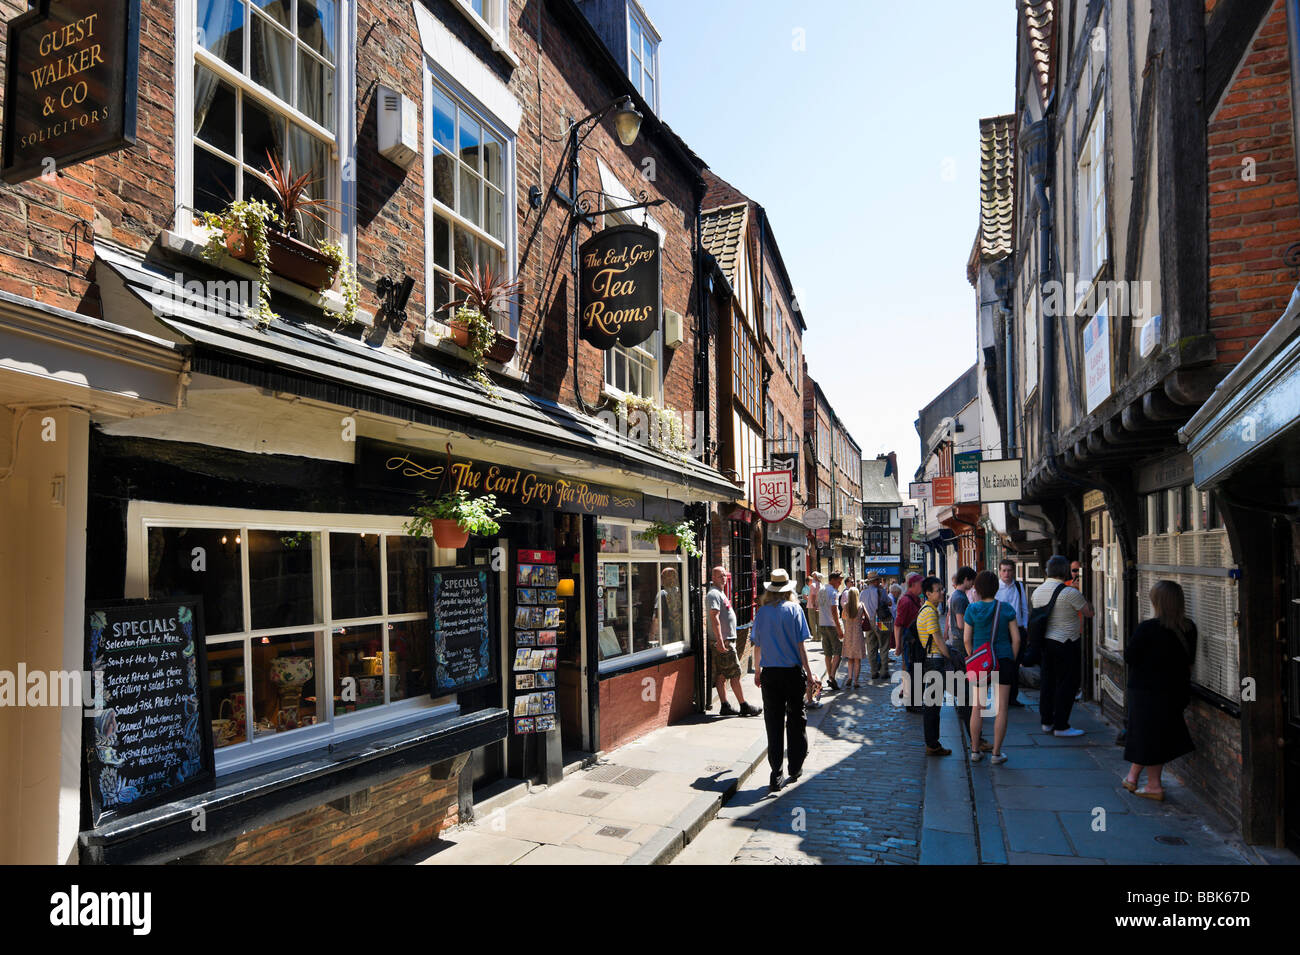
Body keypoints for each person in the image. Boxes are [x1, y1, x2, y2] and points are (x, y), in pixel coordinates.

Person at [1122, 581, 1197, 801]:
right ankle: (1134, 777)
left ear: (1158, 602)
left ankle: (1153, 785)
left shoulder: (1149, 628)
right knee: (1155, 736)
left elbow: (1129, 657)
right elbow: (1189, 659)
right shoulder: (1189, 627)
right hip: (1175, 691)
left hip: (1146, 691)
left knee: (1148, 736)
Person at [751, 569, 820, 792]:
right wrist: (810, 673)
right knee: (796, 719)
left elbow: (757, 645)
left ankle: (776, 772)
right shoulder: (795, 610)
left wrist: (757, 672)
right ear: (788, 589)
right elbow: (801, 647)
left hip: (770, 673)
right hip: (792, 673)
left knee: (773, 722)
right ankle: (795, 766)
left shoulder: (762, 613)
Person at [1033, 555, 1094, 736]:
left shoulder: (1037, 591)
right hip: (1067, 642)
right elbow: (1089, 612)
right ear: (1064, 571)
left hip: (1046, 642)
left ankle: (1047, 722)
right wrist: (1080, 591)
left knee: (1048, 683)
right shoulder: (1070, 592)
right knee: (1067, 684)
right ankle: (1061, 725)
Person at [965, 570, 1022, 764]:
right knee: (1002, 708)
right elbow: (1016, 639)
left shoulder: (972, 610)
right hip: (1003, 659)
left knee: (977, 708)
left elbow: (966, 639)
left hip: (981, 662)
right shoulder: (1006, 609)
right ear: (996, 588)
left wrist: (974, 655)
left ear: (978, 588)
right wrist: (1010, 659)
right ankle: (997, 754)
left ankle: (974, 751)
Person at [705, 566, 760, 717]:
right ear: (713, 577)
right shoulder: (713, 594)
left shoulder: (720, 592)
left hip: (726, 639)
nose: (723, 578)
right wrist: (720, 640)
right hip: (724, 641)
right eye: (720, 576)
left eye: (724, 575)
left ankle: (725, 706)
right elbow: (714, 617)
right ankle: (744, 706)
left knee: (722, 674)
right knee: (735, 673)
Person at [946, 567, 988, 753]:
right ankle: (972, 727)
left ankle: (966, 713)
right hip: (963, 645)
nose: (973, 584)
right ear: (967, 580)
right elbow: (962, 624)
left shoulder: (955, 596)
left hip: (956, 642)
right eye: (972, 580)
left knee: (964, 684)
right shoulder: (961, 598)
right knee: (967, 686)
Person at [914, 576, 954, 755]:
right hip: (934, 660)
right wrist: (950, 656)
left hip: (932, 660)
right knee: (933, 705)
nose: (941, 592)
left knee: (933, 703)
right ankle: (932, 744)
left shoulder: (928, 609)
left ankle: (933, 742)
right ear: (928, 593)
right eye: (937, 590)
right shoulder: (929, 612)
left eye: (941, 589)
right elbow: (938, 640)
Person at [996, 560, 1029, 707]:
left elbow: (1024, 607)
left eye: (1009, 570)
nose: (1006, 574)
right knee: (1003, 664)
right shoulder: (995, 587)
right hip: (1003, 631)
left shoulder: (1018, 585)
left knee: (1015, 664)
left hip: (1019, 629)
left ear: (1014, 572)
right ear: (999, 571)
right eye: (1004, 570)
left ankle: (1013, 698)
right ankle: (1001, 697)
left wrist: (1025, 627)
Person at [894, 574, 925, 712]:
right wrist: (898, 645)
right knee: (912, 670)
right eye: (920, 584)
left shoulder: (916, 599)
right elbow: (898, 624)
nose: (922, 586)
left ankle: (915, 701)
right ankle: (911, 703)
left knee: (916, 670)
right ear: (913, 585)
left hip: (917, 641)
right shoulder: (906, 601)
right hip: (910, 642)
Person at [818, 570, 845, 691]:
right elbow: (834, 611)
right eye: (839, 581)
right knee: (838, 651)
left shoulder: (822, 589)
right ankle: (832, 676)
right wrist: (839, 628)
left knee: (827, 652)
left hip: (822, 623)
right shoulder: (833, 592)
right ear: (833, 579)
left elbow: (817, 605)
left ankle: (830, 676)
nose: (840, 583)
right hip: (832, 624)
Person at [861, 571, 888, 680]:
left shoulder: (863, 593)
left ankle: (873, 671)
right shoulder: (881, 592)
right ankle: (884, 671)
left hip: (868, 621)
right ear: (876, 581)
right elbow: (888, 602)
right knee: (884, 645)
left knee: (871, 647)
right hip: (880, 621)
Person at [840, 586, 865, 687]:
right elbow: (865, 617)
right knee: (857, 659)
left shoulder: (846, 606)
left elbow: (843, 616)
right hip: (858, 633)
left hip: (849, 633)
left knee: (850, 658)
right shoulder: (861, 606)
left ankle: (850, 677)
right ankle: (856, 681)